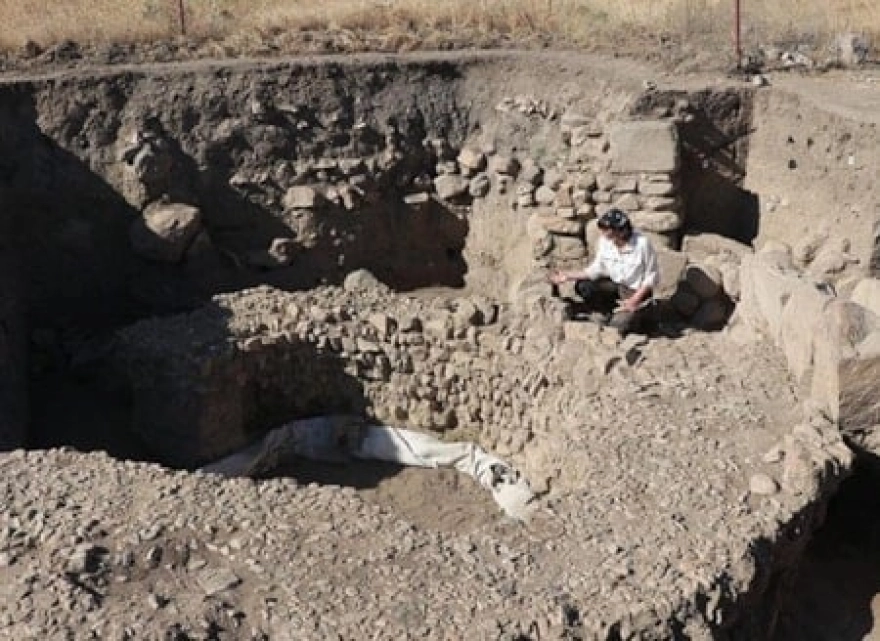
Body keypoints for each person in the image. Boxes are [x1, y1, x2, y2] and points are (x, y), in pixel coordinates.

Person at [549, 209, 660, 334]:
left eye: (607, 230)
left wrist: (633, 301)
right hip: (615, 285)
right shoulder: (605, 242)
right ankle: (604, 311)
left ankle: (640, 317)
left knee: (617, 326)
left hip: (635, 291)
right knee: (584, 286)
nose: (604, 233)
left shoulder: (642, 244)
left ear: (620, 231)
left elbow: (651, 276)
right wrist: (567, 276)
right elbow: (595, 270)